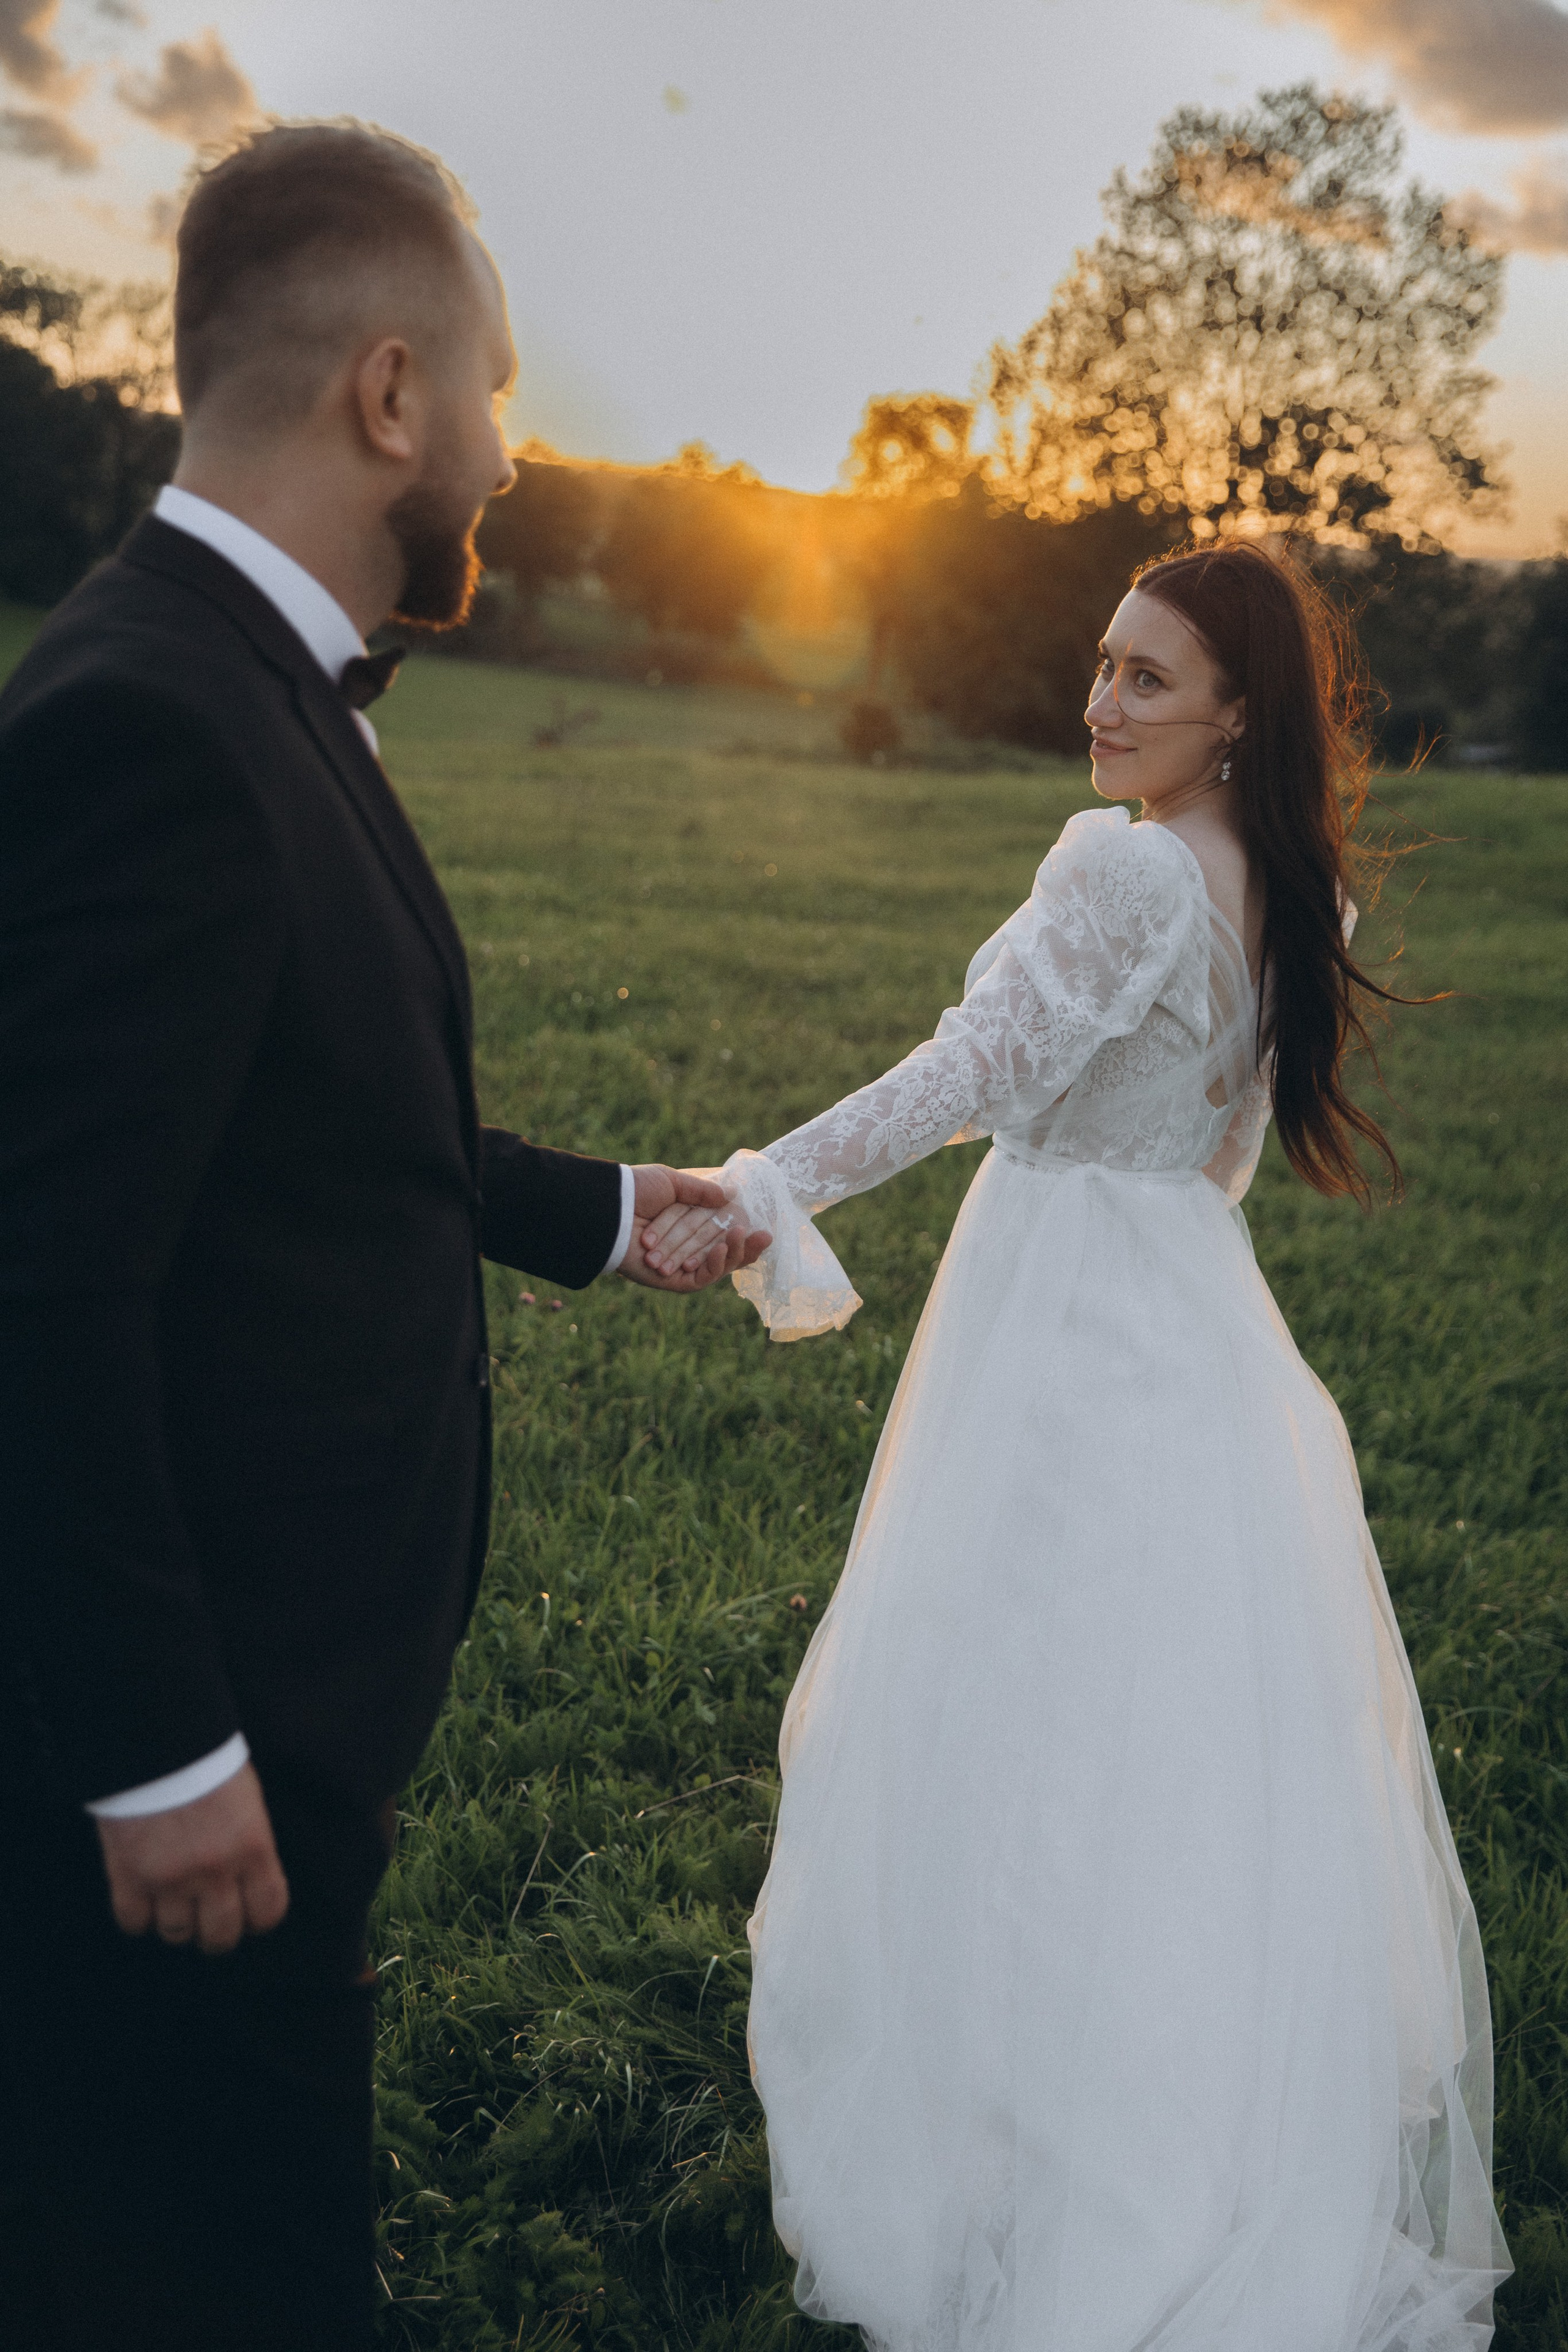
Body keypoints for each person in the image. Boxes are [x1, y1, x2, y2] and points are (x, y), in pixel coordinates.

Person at [0, 121, 766, 2352]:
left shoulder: (235, 681)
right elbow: (39, 1283)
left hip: (282, 1743)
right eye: (505, 394)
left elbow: (305, 1116)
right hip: (182, 1778)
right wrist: (154, 1749)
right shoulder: (153, 720)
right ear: (395, 391)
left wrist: (607, 1215)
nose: (515, 459)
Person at [641, 543, 1512, 2348]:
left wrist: (763, 1183)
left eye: (1149, 681)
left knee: (1017, 1718)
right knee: (1162, 1746)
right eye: (1104, 666)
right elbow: (1220, 1154)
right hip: (1189, 1309)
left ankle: (1034, 2159)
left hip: (1066, 1316)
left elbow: (968, 1073)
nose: (1102, 704)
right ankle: (1159, 2117)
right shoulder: (1291, 886)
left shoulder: (1123, 873)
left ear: (1237, 715)